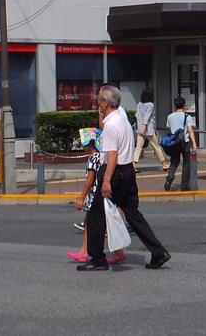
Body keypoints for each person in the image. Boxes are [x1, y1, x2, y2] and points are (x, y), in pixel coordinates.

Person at [78, 84, 170, 271]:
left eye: (99, 101)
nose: (98, 104)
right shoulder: (122, 118)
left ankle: (97, 259)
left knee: (95, 214)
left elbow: (111, 155)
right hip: (128, 171)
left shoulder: (112, 125)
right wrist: (101, 115)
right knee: (133, 214)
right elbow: (105, 126)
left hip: (114, 172)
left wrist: (106, 180)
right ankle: (158, 252)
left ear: (105, 103)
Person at [68, 127, 125, 265]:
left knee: (98, 223)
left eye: (84, 144)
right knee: (94, 223)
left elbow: (90, 179)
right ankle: (85, 251)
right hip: (102, 194)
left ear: (90, 144)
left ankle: (114, 252)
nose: (83, 146)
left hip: (95, 195)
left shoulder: (93, 159)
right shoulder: (102, 156)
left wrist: (81, 196)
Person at [164, 96, 198, 191]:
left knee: (174, 161)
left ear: (175, 106)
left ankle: (170, 176)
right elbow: (190, 131)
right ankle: (184, 186)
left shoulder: (170, 117)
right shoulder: (187, 116)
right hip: (185, 142)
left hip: (174, 142)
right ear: (184, 105)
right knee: (186, 163)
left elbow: (170, 128)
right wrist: (194, 144)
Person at [133, 88, 168, 173]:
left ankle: (133, 165)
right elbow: (147, 117)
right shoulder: (150, 105)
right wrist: (145, 126)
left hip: (140, 129)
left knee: (138, 147)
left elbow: (137, 115)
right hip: (148, 130)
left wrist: (140, 126)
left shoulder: (139, 104)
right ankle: (164, 164)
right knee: (156, 146)